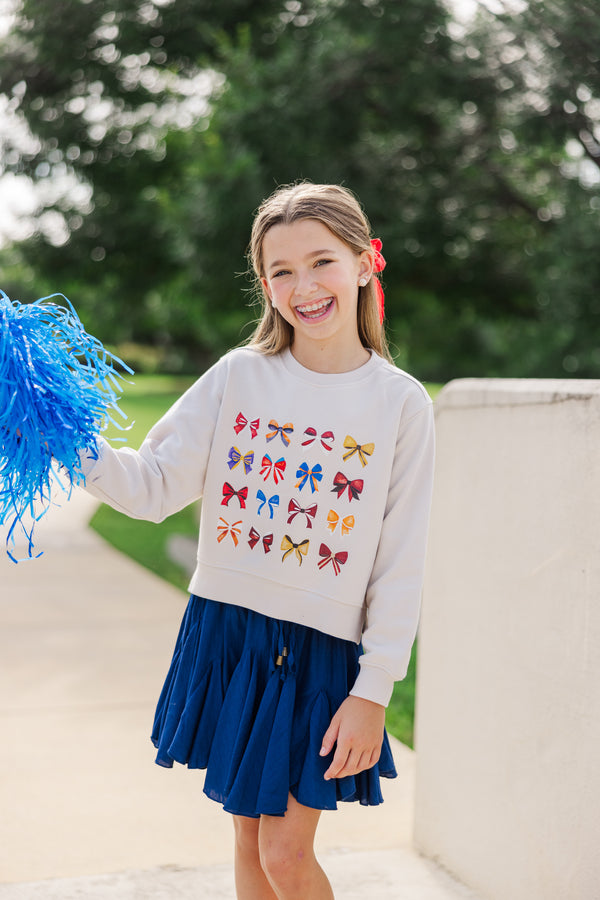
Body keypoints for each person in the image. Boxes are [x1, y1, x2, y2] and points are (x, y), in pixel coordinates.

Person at [78, 182, 435, 899]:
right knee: (248, 840)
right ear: (265, 284)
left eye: (322, 261)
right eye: (280, 271)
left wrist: (375, 689)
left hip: (321, 654)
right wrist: (57, 439)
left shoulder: (400, 404)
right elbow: (149, 487)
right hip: (229, 632)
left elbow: (401, 562)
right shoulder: (238, 376)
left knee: (285, 855)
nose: (303, 286)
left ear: (366, 263)